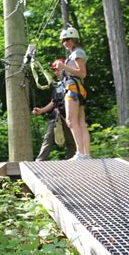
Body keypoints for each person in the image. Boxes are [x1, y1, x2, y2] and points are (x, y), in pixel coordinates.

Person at [55, 27, 91, 160]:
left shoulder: (77, 53)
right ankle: (86, 154)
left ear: (75, 39)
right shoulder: (74, 54)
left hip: (73, 90)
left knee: (71, 121)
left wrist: (64, 67)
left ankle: (80, 153)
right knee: (81, 122)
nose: (66, 42)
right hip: (77, 89)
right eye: (64, 40)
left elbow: (82, 73)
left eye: (68, 39)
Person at [33, 59, 76, 161]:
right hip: (57, 116)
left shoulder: (72, 82)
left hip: (69, 116)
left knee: (71, 141)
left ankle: (72, 160)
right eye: (55, 70)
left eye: (58, 70)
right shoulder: (58, 86)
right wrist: (41, 110)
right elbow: (53, 102)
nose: (56, 72)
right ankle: (40, 161)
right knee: (48, 138)